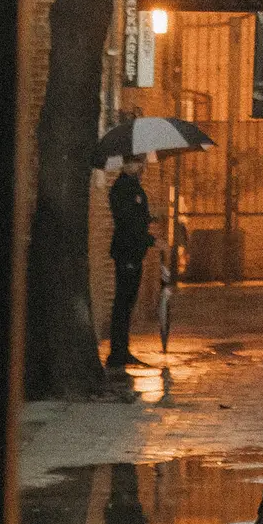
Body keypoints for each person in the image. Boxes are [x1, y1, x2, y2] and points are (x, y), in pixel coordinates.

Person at [106, 155, 154, 372]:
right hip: (127, 252)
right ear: (126, 164)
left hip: (134, 252)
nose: (140, 166)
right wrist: (152, 240)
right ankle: (117, 353)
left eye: (141, 162)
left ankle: (122, 349)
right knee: (123, 301)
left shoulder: (133, 186)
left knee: (127, 302)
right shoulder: (122, 188)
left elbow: (139, 217)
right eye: (136, 162)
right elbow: (129, 223)